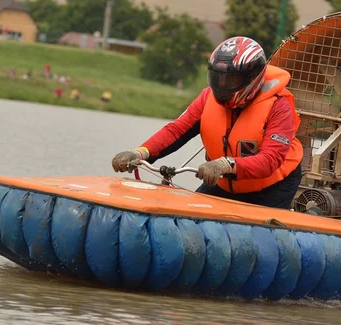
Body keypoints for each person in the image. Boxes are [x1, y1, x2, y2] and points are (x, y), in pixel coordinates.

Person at [111, 36, 304, 209]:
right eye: (218, 78)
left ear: (252, 77)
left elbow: (270, 160)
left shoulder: (279, 106)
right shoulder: (207, 98)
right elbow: (177, 130)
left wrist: (224, 165)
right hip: (221, 181)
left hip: (271, 188)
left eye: (231, 79)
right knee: (191, 218)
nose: (222, 86)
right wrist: (140, 152)